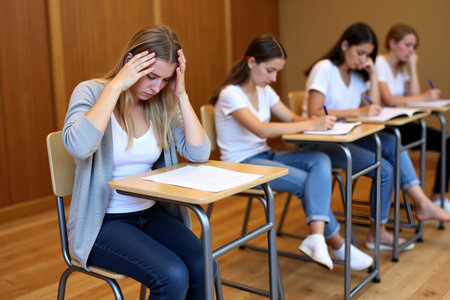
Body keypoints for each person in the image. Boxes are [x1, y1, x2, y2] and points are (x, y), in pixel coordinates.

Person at [62, 25, 211, 300]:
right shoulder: (92, 92)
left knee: (203, 264)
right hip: (104, 223)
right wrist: (117, 85)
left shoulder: (160, 104)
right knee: (172, 276)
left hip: (151, 213)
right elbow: (78, 147)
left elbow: (199, 153)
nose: (156, 87)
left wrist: (181, 95)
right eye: (151, 76)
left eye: (165, 80)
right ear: (131, 62)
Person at [210, 35, 373, 271]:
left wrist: (317, 121)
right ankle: (336, 244)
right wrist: (310, 124)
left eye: (277, 72)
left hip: (264, 156)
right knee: (308, 182)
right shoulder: (230, 94)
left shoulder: (264, 91)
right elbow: (262, 129)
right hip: (241, 165)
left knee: (320, 158)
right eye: (270, 70)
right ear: (251, 62)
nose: (274, 78)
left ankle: (317, 239)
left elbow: (292, 119)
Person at [304, 22, 450, 251]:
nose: (363, 59)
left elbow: (373, 105)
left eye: (368, 55)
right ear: (344, 45)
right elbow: (314, 112)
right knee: (386, 169)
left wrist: (371, 73)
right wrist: (357, 112)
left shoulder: (357, 73)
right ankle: (385, 228)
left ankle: (417, 206)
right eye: (360, 53)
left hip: (347, 136)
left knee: (393, 141)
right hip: (320, 142)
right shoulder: (324, 68)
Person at [376, 23, 450, 211]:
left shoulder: (402, 67)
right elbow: (389, 99)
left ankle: (437, 196)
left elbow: (414, 96)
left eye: (414, 47)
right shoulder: (379, 63)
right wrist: (423, 97)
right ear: (392, 43)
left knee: (448, 142)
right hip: (386, 128)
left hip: (403, 124)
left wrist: (412, 66)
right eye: (407, 45)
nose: (411, 51)